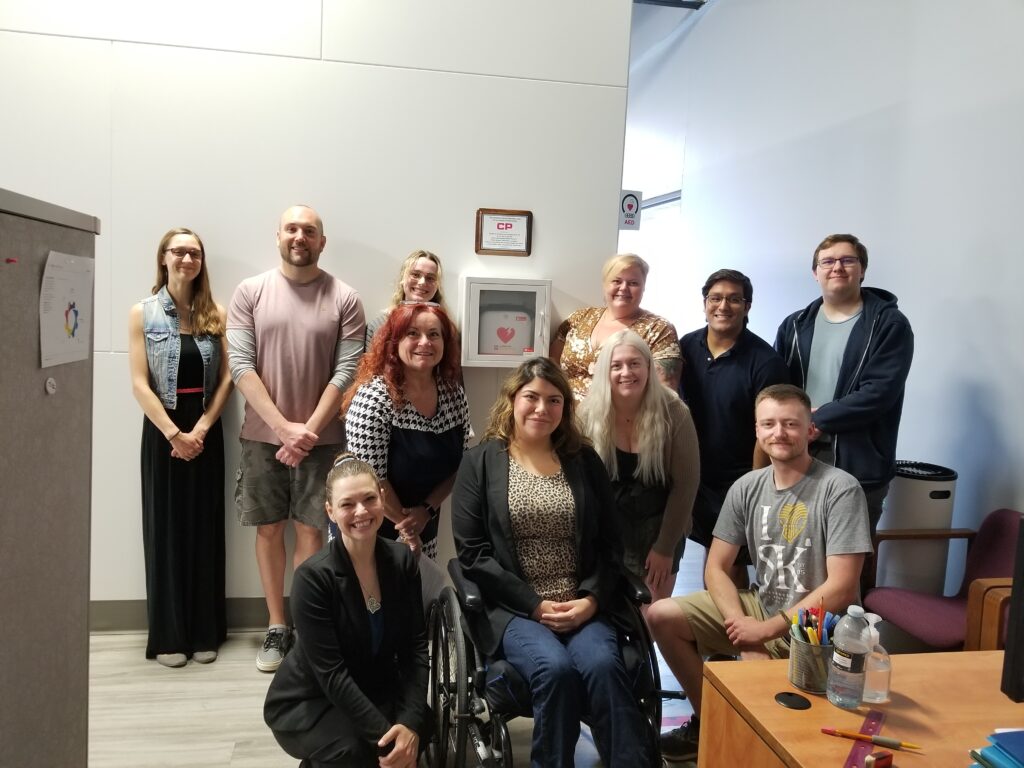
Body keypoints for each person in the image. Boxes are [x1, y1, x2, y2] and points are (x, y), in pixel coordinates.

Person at [647, 384, 872, 763]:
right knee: (661, 615)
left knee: (791, 738)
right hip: (760, 607)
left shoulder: (840, 489)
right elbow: (717, 567)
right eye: (768, 424)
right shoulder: (747, 487)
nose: (779, 433)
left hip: (817, 628)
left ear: (810, 430)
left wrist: (766, 632)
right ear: (757, 430)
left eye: (790, 424)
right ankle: (711, 718)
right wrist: (743, 631)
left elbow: (842, 588)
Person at [452, 357, 655, 768]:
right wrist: (534, 605)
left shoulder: (584, 461)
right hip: (516, 609)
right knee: (555, 669)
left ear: (565, 408)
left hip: (581, 603)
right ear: (512, 400)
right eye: (532, 397)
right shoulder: (481, 461)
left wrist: (592, 600)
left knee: (603, 665)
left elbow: (610, 545)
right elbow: (472, 552)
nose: (542, 409)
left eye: (554, 399)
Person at [228, 205, 366, 673]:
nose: (299, 236)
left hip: (323, 441)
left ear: (322, 241)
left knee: (312, 531)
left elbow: (347, 370)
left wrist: (306, 431)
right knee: (269, 529)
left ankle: (306, 628)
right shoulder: (250, 292)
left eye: (309, 230)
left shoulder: (345, 297)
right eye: (292, 228)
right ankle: (275, 625)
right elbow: (241, 366)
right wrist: (285, 428)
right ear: (278, 236)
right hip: (262, 437)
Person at [264, 453, 429, 768]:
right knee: (355, 749)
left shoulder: (402, 561)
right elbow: (332, 675)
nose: (361, 512)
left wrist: (409, 724)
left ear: (382, 498)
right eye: (347, 504)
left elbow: (416, 648)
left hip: (372, 684)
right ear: (330, 511)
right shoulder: (313, 578)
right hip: (309, 699)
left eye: (369, 499)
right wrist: (388, 739)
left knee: (424, 725)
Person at [128, 227, 233, 668]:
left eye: (195, 252)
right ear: (164, 258)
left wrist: (203, 427)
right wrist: (175, 433)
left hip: (206, 428)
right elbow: (139, 383)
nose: (187, 258)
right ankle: (170, 634)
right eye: (179, 251)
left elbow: (228, 377)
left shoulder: (215, 313)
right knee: (167, 528)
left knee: (204, 527)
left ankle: (205, 630)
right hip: (163, 429)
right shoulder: (143, 312)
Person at [774, 234, 914, 537]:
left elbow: (879, 392)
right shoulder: (794, 325)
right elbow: (778, 387)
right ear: (816, 272)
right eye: (828, 261)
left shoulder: (889, 324)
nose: (837, 267)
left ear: (862, 270)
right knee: (796, 548)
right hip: (800, 449)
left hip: (857, 459)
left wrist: (817, 418)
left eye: (847, 260)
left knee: (848, 560)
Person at [679, 269, 789, 586]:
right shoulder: (687, 347)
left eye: (734, 299)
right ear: (704, 303)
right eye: (716, 298)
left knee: (730, 562)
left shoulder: (766, 362)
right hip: (696, 475)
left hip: (740, 479)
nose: (723, 306)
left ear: (747, 306)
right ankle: (712, 629)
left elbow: (768, 431)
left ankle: (733, 632)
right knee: (710, 555)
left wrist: (755, 487)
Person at [342, 302, 470, 562]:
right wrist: (406, 525)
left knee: (417, 597)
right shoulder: (374, 397)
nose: (425, 342)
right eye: (413, 333)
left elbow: (464, 464)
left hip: (424, 526)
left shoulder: (453, 394)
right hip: (368, 528)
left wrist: (426, 511)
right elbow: (370, 478)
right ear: (394, 342)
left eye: (434, 334)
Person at [580, 330, 700, 603]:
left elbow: (686, 485)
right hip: (608, 527)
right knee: (610, 610)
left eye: (635, 363)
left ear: (648, 367)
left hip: (662, 523)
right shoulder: (587, 414)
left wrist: (665, 547)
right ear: (604, 371)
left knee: (651, 615)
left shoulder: (674, 412)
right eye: (616, 365)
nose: (626, 372)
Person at [551, 253, 681, 400]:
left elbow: (664, 394)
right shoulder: (579, 318)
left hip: (622, 420)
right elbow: (550, 371)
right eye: (616, 281)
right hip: (564, 418)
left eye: (633, 283)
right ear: (605, 285)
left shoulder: (659, 329)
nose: (624, 288)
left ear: (643, 288)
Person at [365, 250, 450, 348]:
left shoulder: (446, 328)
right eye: (415, 275)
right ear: (403, 278)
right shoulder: (378, 326)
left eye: (430, 278)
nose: (422, 282)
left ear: (437, 286)